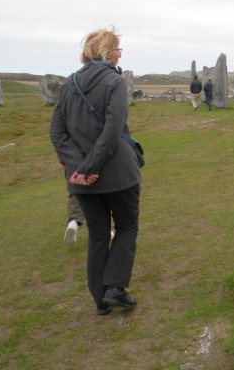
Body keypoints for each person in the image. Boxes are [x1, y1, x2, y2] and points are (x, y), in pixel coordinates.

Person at [50, 26, 141, 316]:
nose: (119, 54)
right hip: (118, 174)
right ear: (107, 51)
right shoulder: (114, 82)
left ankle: (100, 300)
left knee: (99, 234)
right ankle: (115, 287)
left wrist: (78, 168)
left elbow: (57, 132)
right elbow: (113, 131)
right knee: (126, 227)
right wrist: (90, 167)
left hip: (80, 180)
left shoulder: (68, 84)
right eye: (117, 49)